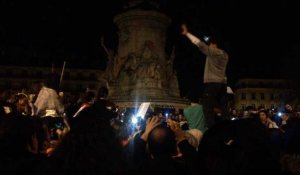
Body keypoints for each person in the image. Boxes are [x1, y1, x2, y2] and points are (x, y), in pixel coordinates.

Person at [181, 24, 229, 129]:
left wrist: (187, 34)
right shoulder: (225, 55)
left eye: (210, 45)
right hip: (222, 84)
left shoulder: (214, 52)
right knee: (223, 108)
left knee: (206, 108)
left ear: (214, 45)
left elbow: (200, 44)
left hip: (213, 83)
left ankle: (212, 130)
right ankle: (226, 129)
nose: (209, 48)